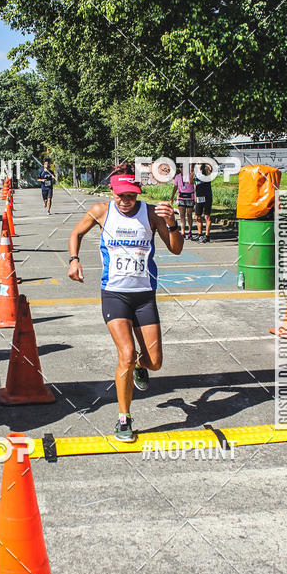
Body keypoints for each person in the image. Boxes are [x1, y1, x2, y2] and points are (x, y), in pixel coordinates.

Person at [68, 165, 183, 441]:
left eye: (131, 195)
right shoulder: (101, 211)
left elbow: (176, 248)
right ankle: (124, 418)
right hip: (114, 294)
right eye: (121, 195)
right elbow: (76, 234)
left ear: (138, 193)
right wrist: (74, 260)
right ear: (112, 191)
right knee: (126, 355)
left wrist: (172, 223)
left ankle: (141, 369)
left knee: (154, 362)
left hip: (144, 295)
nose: (125, 201)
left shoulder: (152, 213)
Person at [170, 161, 195, 239]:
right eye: (180, 167)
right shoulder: (177, 176)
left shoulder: (190, 175)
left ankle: (190, 231)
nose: (182, 168)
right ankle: (183, 231)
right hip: (181, 197)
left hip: (190, 197)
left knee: (189, 215)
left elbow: (194, 184)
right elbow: (175, 187)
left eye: (183, 167)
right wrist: (172, 197)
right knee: (182, 215)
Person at [194, 162, 213, 243]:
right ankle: (200, 234)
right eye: (197, 163)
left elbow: (210, 170)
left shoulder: (206, 171)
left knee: (207, 216)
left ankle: (207, 236)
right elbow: (191, 182)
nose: (198, 164)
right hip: (199, 196)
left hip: (207, 196)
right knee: (197, 216)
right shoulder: (195, 173)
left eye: (200, 163)